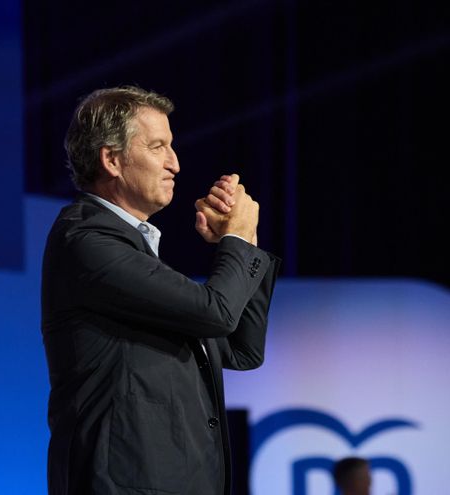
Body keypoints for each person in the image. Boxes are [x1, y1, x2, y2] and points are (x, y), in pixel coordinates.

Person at [40, 85, 280, 495]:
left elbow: (241, 349)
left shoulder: (134, 250)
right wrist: (234, 242)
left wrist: (246, 241)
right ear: (112, 160)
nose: (176, 164)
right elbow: (216, 312)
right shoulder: (86, 240)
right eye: (158, 147)